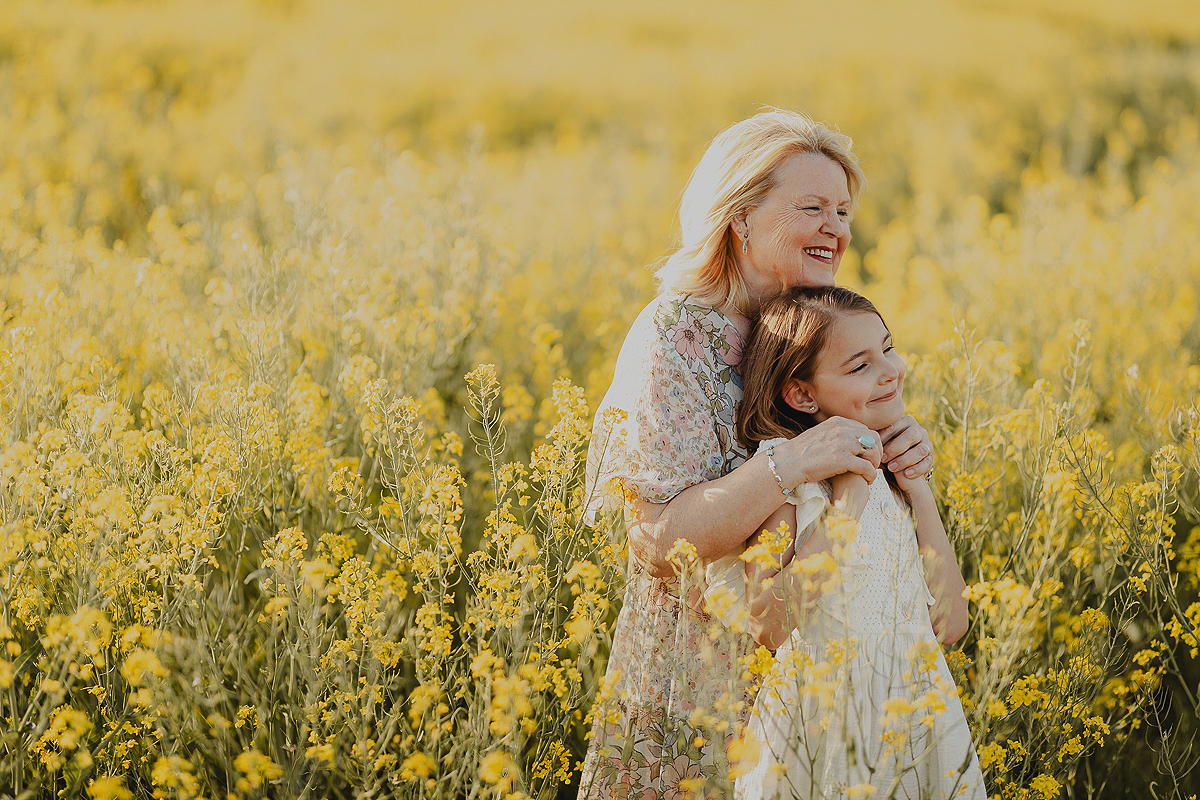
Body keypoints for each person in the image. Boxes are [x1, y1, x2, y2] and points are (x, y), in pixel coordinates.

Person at [577, 109, 936, 798]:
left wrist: (899, 448)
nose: (837, 228)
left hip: (824, 683)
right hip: (702, 681)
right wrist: (788, 465)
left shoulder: (817, 322)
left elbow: (850, 442)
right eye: (813, 208)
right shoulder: (674, 334)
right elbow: (657, 541)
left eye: (843, 211)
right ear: (740, 215)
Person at [725, 285, 985, 799]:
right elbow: (769, 624)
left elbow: (950, 623)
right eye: (860, 365)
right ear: (803, 395)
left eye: (888, 349)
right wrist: (848, 498)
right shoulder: (791, 484)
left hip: (914, 716)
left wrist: (918, 489)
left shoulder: (897, 476)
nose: (891, 371)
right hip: (826, 726)